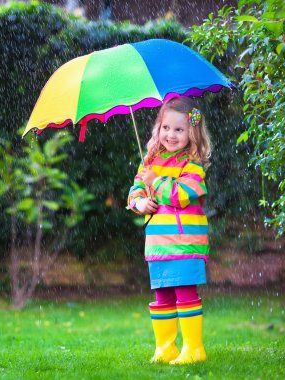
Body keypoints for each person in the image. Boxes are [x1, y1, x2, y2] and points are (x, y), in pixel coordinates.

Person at [127, 96, 211, 365]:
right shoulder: (150, 161)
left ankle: (194, 348)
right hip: (158, 243)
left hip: (185, 242)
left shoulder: (192, 164)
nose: (171, 135)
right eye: (166, 128)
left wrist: (157, 181)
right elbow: (135, 191)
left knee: (185, 291)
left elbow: (182, 194)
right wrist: (140, 202)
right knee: (162, 294)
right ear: (158, 128)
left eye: (179, 130)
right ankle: (165, 347)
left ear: (192, 132)